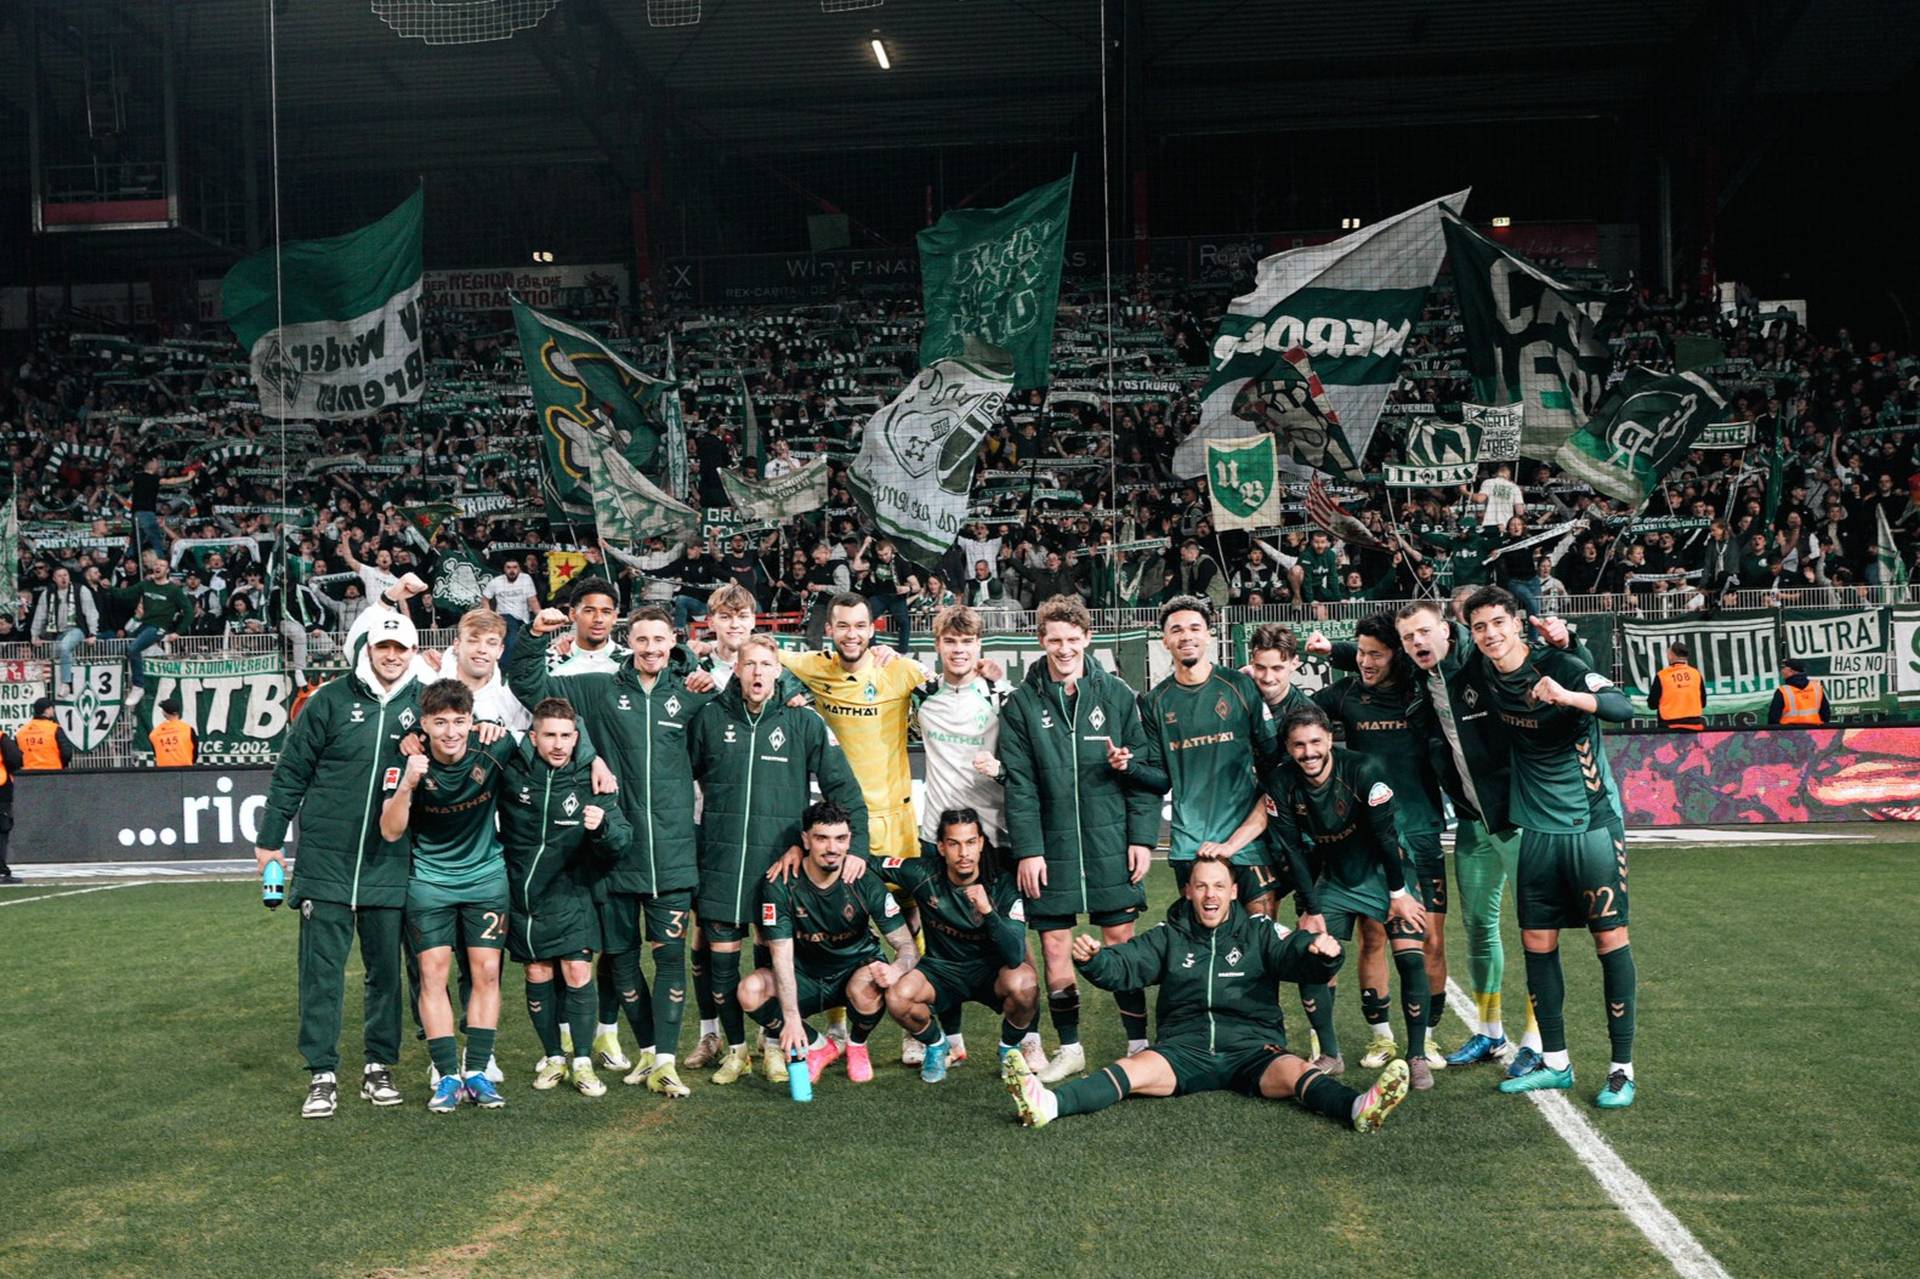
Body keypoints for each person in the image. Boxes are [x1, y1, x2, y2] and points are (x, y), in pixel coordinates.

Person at [1002, 859, 1410, 1133]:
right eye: (1201, 886)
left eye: (1218, 886)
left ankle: (1360, 1108)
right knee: (1129, 1071)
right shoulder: (1169, 935)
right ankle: (1047, 1105)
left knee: (1298, 1074)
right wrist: (1094, 960)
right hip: (1184, 1049)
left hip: (1252, 1048)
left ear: (1233, 891)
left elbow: (1295, 953)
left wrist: (1321, 954)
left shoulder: (1260, 931)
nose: (1210, 895)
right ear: (1188, 892)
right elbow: (1126, 965)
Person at [510, 604, 710, 1098]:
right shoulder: (601, 689)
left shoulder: (690, 697)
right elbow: (531, 687)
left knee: (668, 960)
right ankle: (647, 1052)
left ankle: (666, 1061)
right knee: (620, 963)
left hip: (672, 852)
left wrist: (788, 692)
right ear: (630, 642)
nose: (651, 649)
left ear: (673, 642)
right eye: (641, 640)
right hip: (614, 852)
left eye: (660, 641)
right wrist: (535, 635)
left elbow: (759, 691)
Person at [1459, 586, 1639, 1108]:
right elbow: (1428, 650)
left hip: (1590, 830)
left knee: (1610, 943)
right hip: (1535, 832)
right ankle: (1555, 1063)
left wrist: (1564, 692)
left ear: (1519, 622)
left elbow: (1622, 706)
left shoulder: (1560, 663)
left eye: (1499, 622)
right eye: (1480, 627)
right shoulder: (1480, 674)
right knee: (1537, 944)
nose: (1491, 634)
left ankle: (1622, 1069)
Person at [254, 608, 424, 1119]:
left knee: (385, 975)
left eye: (400, 649)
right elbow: (291, 774)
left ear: (412, 652)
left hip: (389, 863)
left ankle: (379, 1067)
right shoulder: (329, 699)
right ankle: (322, 1073)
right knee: (320, 975)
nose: (391, 656)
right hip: (325, 863)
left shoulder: (425, 704)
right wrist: (269, 842)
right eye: (383, 648)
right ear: (368, 649)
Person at [685, 632, 868, 1084]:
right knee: (722, 963)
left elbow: (844, 791)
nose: (758, 673)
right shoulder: (708, 720)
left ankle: (772, 1048)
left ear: (779, 671)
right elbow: (675, 786)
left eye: (767, 665)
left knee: (770, 965)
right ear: (736, 668)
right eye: (750, 664)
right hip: (721, 865)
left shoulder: (803, 723)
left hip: (778, 869)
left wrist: (854, 850)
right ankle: (734, 1051)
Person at [999, 595, 1162, 1083]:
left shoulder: (1116, 694)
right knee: (1054, 947)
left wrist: (1141, 839)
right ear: (1040, 641)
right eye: (1055, 640)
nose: (1064, 648)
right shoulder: (1022, 705)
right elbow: (1020, 785)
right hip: (1052, 847)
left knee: (1120, 941)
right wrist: (1028, 849)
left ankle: (1138, 1043)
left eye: (1073, 639)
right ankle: (1070, 1047)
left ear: (1088, 638)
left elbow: (1145, 773)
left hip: (1112, 841)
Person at [1306, 613, 1450, 1076]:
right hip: (1368, 840)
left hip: (1421, 830)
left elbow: (1432, 656)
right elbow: (1300, 712)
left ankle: (1424, 1040)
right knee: (1372, 937)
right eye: (1360, 652)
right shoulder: (1347, 695)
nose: (1366, 662)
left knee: (1429, 938)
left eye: (1376, 654)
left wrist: (1339, 651)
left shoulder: (1419, 688)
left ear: (1397, 655)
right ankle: (1382, 1037)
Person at [1266, 707, 1436, 1089]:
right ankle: (1330, 1054)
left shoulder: (1364, 770)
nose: (1308, 752)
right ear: (1289, 748)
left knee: (1410, 957)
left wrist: (1399, 894)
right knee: (1311, 954)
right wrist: (1311, 909)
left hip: (1387, 872)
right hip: (1337, 879)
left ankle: (1417, 1056)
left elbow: (1386, 837)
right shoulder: (1280, 783)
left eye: (1315, 742)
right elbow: (1292, 850)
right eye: (1298, 745)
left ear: (1329, 739)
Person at [378, 679, 517, 1113]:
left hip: (486, 879)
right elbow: (390, 829)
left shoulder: (494, 748)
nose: (451, 732)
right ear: (425, 724)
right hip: (429, 882)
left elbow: (557, 738)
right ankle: (445, 1076)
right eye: (440, 723)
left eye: (459, 722)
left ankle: (476, 1071)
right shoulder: (404, 760)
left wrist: (595, 764)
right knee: (433, 975)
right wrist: (408, 785)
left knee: (487, 973)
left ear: (471, 721)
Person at [909, 604, 1037, 1067]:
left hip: (993, 835)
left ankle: (1029, 1036)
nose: (959, 650)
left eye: (967, 642)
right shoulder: (921, 692)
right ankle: (953, 1039)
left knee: (1016, 937)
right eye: (950, 642)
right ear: (937, 646)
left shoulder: (1000, 694)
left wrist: (1000, 771)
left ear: (979, 646)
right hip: (937, 836)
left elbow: (1026, 759)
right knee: (942, 940)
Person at [498, 697, 632, 1098]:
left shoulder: (593, 780)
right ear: (533, 737)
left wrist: (603, 826)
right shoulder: (511, 772)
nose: (558, 744)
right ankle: (554, 1056)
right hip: (523, 892)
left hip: (573, 890)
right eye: (550, 735)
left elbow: (622, 842)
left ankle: (583, 1061)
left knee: (577, 972)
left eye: (566, 736)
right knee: (537, 973)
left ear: (578, 739)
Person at [737, 801, 921, 1085]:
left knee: (872, 980)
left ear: (850, 841)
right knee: (750, 990)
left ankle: (857, 1045)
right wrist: (792, 1020)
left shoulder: (864, 880)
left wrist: (896, 969)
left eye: (840, 839)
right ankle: (821, 1046)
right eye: (822, 838)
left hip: (853, 972)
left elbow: (907, 947)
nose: (832, 848)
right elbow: (781, 958)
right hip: (805, 975)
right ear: (805, 840)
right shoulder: (781, 883)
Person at [857, 807, 1040, 1082]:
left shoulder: (1002, 884)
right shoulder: (921, 873)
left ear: (980, 844)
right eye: (954, 844)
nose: (963, 853)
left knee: (1025, 983)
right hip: (941, 972)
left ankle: (1008, 1049)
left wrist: (988, 912)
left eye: (969, 843)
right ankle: (935, 1044)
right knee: (897, 996)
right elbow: (869, 864)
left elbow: (1015, 955)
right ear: (941, 847)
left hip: (989, 973)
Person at [1137, 596, 1281, 914]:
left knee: (1261, 935)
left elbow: (1273, 759)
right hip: (1190, 841)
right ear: (1165, 639)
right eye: (1176, 629)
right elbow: (1159, 778)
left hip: (1247, 839)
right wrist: (1127, 768)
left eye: (1194, 627)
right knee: (1204, 944)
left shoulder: (1240, 686)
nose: (1186, 635)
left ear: (1209, 635)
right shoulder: (1154, 702)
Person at [121, 557, 194, 709]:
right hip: (144, 625)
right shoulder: (146, 584)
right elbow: (125, 595)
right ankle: (131, 682)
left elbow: (189, 612)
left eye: (162, 565)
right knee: (124, 646)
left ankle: (138, 686)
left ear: (167, 570)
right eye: (156, 564)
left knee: (133, 649)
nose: (158, 567)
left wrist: (178, 632)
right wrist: (104, 589)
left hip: (159, 627)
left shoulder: (174, 590)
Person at [29, 565, 98, 691]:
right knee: (54, 659)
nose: (63, 578)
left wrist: (93, 633)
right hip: (56, 633)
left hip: (76, 630)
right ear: (54, 579)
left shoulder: (81, 590)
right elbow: (40, 615)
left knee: (65, 646)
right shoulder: (48, 593)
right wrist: (35, 635)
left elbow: (91, 612)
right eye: (60, 576)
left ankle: (66, 683)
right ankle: (50, 692)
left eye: (66, 575)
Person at [1245, 623, 1316, 721]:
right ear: (1252, 663)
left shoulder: (1306, 715)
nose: (1268, 678)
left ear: (1294, 664)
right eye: (1260, 668)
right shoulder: (1236, 701)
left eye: (1277, 668)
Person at [482, 559, 540, 657]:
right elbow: (484, 599)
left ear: (520, 569)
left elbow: (532, 600)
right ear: (504, 569)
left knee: (522, 645)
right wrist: (489, 616)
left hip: (523, 620)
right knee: (511, 641)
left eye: (514, 567)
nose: (512, 570)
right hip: (504, 618)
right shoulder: (496, 582)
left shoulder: (526, 579)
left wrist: (541, 615)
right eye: (508, 567)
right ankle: (505, 669)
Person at [1649, 641, 1707, 731]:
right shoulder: (1696, 674)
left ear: (1671, 655)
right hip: (1694, 725)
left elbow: (1652, 704)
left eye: (1668, 653)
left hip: (1669, 726)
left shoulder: (1662, 675)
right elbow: (1703, 703)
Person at [16, 697, 75, 771]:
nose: (53, 711)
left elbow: (15, 755)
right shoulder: (55, 729)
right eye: (52, 708)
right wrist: (61, 765)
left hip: (28, 775)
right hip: (53, 774)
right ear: (47, 710)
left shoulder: (21, 732)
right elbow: (67, 753)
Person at [1767, 656, 1829, 725]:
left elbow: (1773, 719)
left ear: (1792, 671)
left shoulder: (1782, 691)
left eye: (1784, 668)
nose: (1782, 671)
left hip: (1788, 733)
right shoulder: (1817, 688)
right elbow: (1825, 714)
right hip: (1814, 732)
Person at [0, 723, 23, 883]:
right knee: (1, 829)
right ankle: (1, 870)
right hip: (1, 789)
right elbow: (15, 759)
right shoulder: (1, 737)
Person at [148, 696, 197, 767]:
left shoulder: (155, 733)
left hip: (164, 771)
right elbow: (195, 753)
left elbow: (156, 754)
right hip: (186, 770)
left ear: (164, 713)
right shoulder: (188, 729)